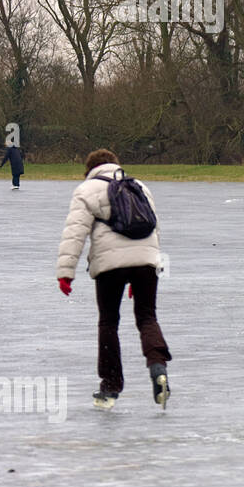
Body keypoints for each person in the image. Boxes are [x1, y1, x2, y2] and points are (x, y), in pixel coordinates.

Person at [56, 149, 171, 409]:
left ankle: (110, 387)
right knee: (147, 317)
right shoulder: (139, 185)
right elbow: (155, 227)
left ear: (90, 170)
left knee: (108, 322)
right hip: (146, 262)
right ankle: (158, 367)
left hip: (110, 266)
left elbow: (75, 233)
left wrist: (66, 273)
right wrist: (154, 265)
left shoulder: (86, 190)